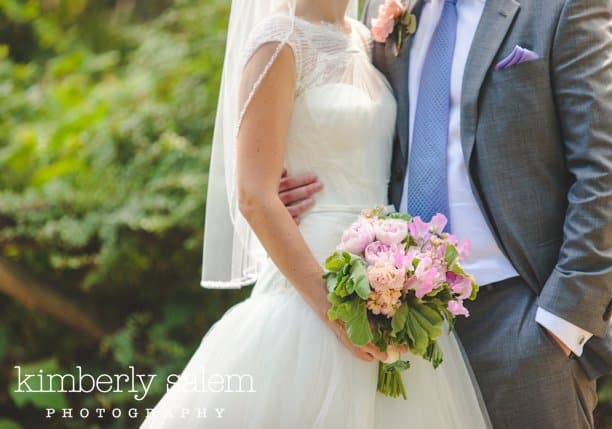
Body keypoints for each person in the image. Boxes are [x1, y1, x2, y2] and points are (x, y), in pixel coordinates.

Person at [281, 0, 612, 426]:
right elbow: (361, 126)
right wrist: (299, 174)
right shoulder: (386, 11)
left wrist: (561, 321)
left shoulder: (560, 7)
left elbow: (609, 168)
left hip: (521, 319)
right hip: (401, 320)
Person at [141, 0, 489, 427]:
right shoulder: (278, 42)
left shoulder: (365, 39)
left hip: (388, 280)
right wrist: (337, 314)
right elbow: (254, 194)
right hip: (313, 288)